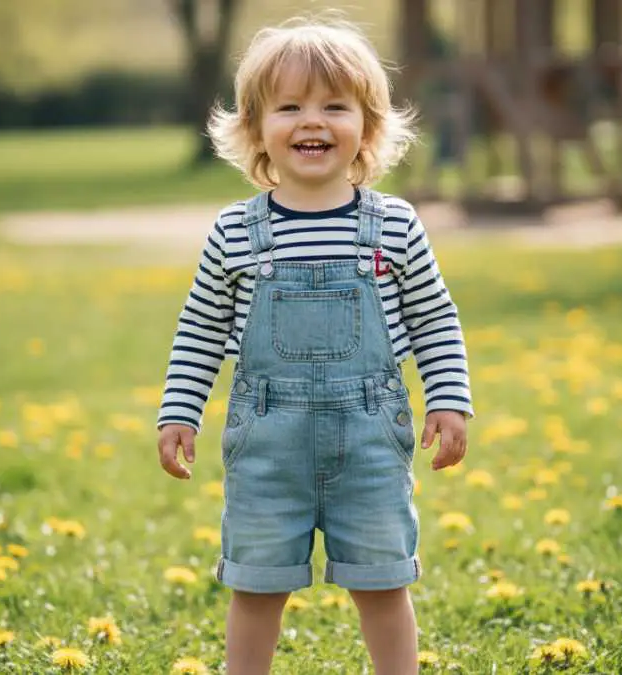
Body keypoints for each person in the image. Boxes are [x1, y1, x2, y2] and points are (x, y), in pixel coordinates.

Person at [157, 15, 474, 675]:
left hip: (369, 445)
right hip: (269, 444)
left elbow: (436, 317)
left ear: (368, 126)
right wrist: (180, 410)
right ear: (254, 127)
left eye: (336, 106)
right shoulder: (234, 233)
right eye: (290, 107)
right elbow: (201, 328)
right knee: (257, 582)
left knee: (384, 580)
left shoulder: (396, 226)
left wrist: (448, 399)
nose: (313, 121)